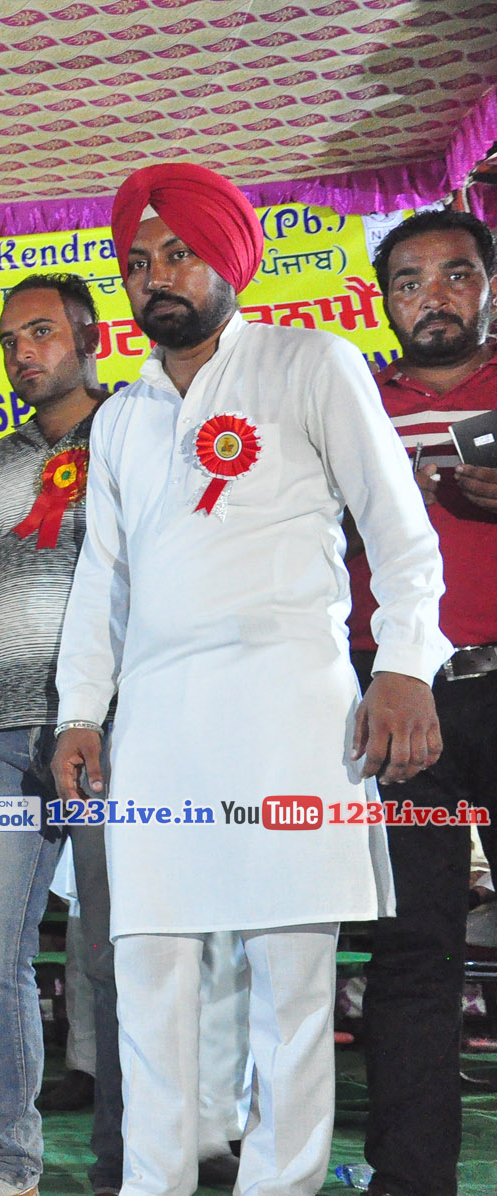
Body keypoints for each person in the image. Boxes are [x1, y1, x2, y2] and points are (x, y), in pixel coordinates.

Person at [52, 163, 450, 1196]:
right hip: (156, 725)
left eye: (179, 253)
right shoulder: (122, 418)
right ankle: (154, 1182)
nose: (155, 277)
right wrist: (79, 711)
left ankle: (282, 1184)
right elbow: (104, 579)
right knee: (148, 974)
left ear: (229, 257)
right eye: (138, 262)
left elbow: (401, 535)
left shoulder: (310, 363)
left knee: (290, 993)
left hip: (290, 711)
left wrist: (403, 666)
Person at [0, 273, 121, 1196]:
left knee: (117, 958)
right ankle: (7, 1164)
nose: (23, 352)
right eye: (10, 339)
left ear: (89, 337)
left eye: (42, 332)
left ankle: (129, 1165)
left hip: (108, 729)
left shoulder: (135, 432)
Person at [346, 207, 497, 1196]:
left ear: (489, 286)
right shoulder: (353, 400)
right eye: (408, 281)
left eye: (454, 275)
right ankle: (410, 1181)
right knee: (412, 950)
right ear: (386, 301)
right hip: (402, 706)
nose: (431, 297)